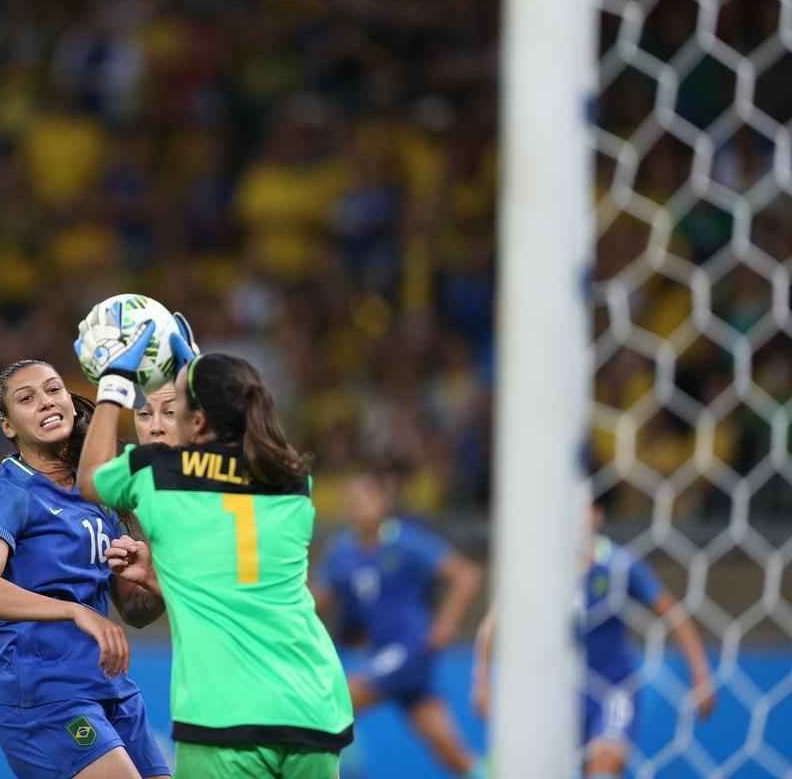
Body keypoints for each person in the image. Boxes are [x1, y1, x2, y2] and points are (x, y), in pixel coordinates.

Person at [75, 327, 355, 779]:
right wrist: (205, 372)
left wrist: (113, 384)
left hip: (225, 716)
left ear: (199, 422)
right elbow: (236, 586)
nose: (164, 418)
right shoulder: (294, 480)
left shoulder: (156, 472)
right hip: (314, 708)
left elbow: (90, 480)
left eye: (177, 406)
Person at [0, 359, 171, 779]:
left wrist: (154, 575)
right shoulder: (10, 490)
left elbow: (137, 612)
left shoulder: (97, 493)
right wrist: (74, 610)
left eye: (53, 390)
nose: (46, 402)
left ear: (70, 403)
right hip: (43, 693)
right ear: (8, 426)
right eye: (27, 398)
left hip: (110, 687)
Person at [472, 498, 717, 778]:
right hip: (556, 695)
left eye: (582, 512)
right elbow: (491, 626)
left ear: (597, 517)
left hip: (613, 688)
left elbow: (675, 616)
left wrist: (700, 675)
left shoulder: (619, 564)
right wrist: (481, 682)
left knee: (605, 766)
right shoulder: (539, 568)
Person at [313, 470, 483, 778]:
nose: (358, 506)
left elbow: (466, 576)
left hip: (410, 649)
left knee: (337, 705)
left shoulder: (406, 541)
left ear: (382, 501)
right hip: (383, 654)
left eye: (365, 497)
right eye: (351, 500)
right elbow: (314, 603)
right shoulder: (342, 553)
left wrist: (446, 623)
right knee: (448, 749)